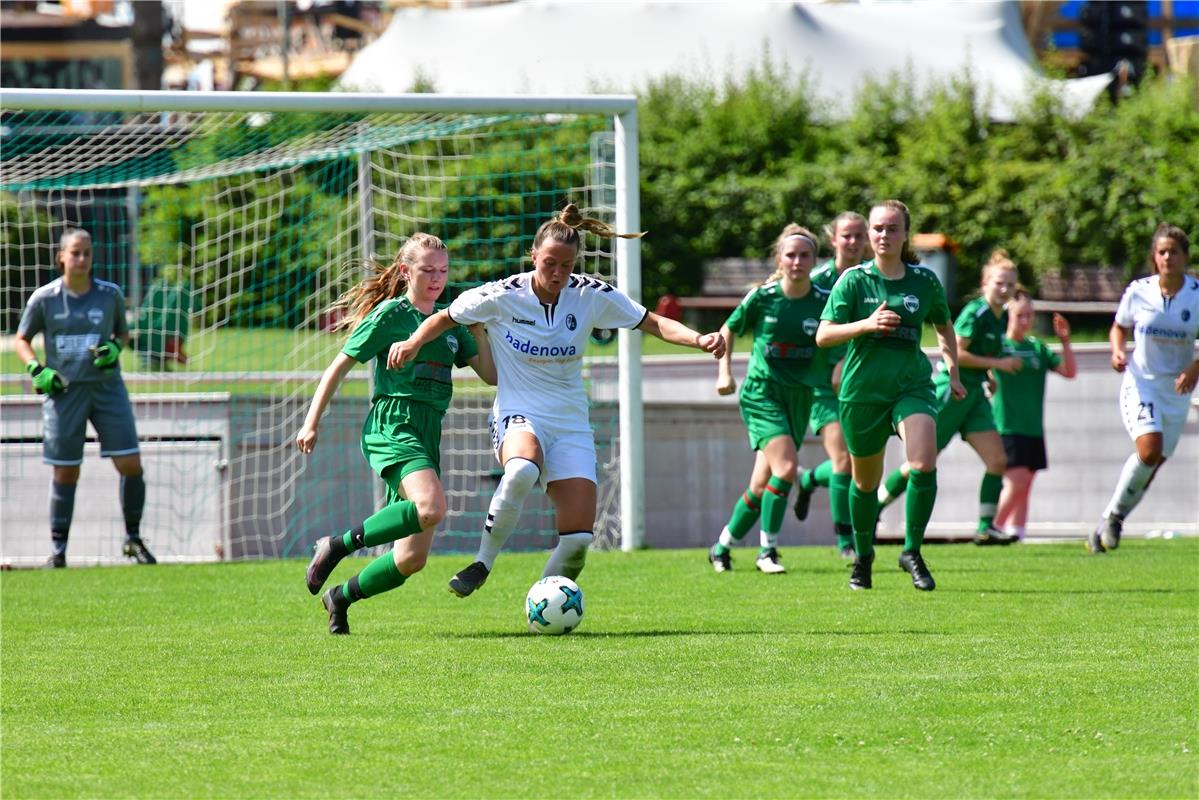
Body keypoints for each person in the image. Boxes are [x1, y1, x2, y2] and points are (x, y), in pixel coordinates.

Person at [387, 203, 725, 596]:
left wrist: (698, 339)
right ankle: (482, 562)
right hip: (519, 412)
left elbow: (652, 322)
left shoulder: (589, 295)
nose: (558, 274)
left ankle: (543, 604)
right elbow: (444, 318)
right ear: (534, 256)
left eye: (567, 266)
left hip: (570, 423)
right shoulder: (502, 295)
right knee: (521, 470)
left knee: (578, 542)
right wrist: (412, 342)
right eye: (550, 263)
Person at [296, 234, 496, 634]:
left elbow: (491, 376)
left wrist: (476, 324)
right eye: (427, 270)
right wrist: (311, 421)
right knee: (432, 508)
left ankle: (340, 597)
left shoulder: (451, 324)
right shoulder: (391, 314)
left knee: (411, 559)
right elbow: (339, 365)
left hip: (427, 432)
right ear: (406, 271)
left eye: (443, 270)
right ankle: (336, 545)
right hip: (393, 423)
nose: (437, 278)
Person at [816, 200, 965, 591]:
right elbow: (823, 334)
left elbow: (944, 327)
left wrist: (953, 371)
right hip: (862, 392)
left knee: (922, 463)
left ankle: (911, 551)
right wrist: (865, 324)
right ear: (869, 235)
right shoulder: (853, 280)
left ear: (905, 234)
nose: (884, 235)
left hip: (911, 386)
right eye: (878, 228)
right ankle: (863, 558)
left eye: (892, 228)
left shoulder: (924, 280)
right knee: (865, 483)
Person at [14, 228, 156, 568]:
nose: (82, 259)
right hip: (64, 394)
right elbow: (22, 339)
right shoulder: (44, 298)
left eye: (87, 253)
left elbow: (122, 333)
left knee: (131, 464)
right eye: (75, 253)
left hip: (107, 390)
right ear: (61, 257)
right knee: (66, 472)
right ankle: (59, 551)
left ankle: (133, 539)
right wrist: (37, 370)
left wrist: (115, 348)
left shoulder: (110, 295)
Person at [877, 250, 1022, 545]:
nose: (1005, 290)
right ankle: (873, 507)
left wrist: (989, 376)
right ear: (985, 283)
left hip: (974, 396)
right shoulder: (977, 312)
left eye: (1010, 285)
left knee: (997, 460)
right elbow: (959, 351)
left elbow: (982, 355)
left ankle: (984, 528)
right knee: (920, 463)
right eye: (999, 283)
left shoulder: (1000, 316)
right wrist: (997, 366)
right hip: (950, 391)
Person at [708, 224, 828, 574]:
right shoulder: (764, 296)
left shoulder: (822, 300)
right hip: (762, 394)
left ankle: (722, 546)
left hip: (800, 396)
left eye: (805, 255)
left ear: (814, 260)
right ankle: (768, 551)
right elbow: (728, 329)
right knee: (788, 469)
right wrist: (724, 372)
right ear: (779, 259)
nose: (797, 261)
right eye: (790, 254)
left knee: (762, 486)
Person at [1090, 223, 1198, 553]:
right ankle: (1113, 520)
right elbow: (1119, 328)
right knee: (1148, 452)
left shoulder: (1195, 295)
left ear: (1184, 257)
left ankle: (1111, 519)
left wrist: (1195, 366)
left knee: (1150, 468)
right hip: (1142, 383)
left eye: (1174, 252)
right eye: (1162, 252)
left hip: (1177, 391)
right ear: (1155, 257)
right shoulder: (1139, 291)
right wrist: (1117, 350)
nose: (1168, 257)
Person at [790, 211, 869, 559]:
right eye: (846, 235)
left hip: (860, 383)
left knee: (856, 462)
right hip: (821, 386)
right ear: (833, 239)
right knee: (842, 461)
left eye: (858, 236)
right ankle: (845, 542)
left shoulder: (870, 279)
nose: (852, 242)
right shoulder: (818, 281)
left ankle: (807, 481)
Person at [991, 288, 1077, 540]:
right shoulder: (998, 346)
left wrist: (1065, 342)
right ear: (1009, 315)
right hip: (1007, 424)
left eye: (1030, 315)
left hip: (1033, 427)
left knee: (1025, 485)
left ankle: (1017, 534)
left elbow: (1069, 372)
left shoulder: (1037, 347)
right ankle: (991, 529)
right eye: (1021, 316)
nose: (1026, 321)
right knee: (1015, 482)